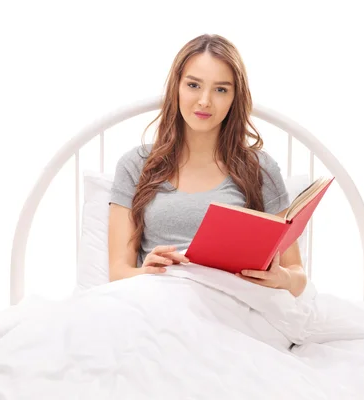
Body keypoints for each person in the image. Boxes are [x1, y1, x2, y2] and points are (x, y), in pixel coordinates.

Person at [108, 34, 307, 297]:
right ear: (176, 87)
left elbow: (298, 276)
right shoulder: (135, 165)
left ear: (235, 97)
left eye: (221, 89)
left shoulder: (259, 169)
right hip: (157, 299)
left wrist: (280, 277)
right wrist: (147, 271)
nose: (204, 101)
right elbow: (118, 273)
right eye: (193, 85)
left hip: (231, 306)